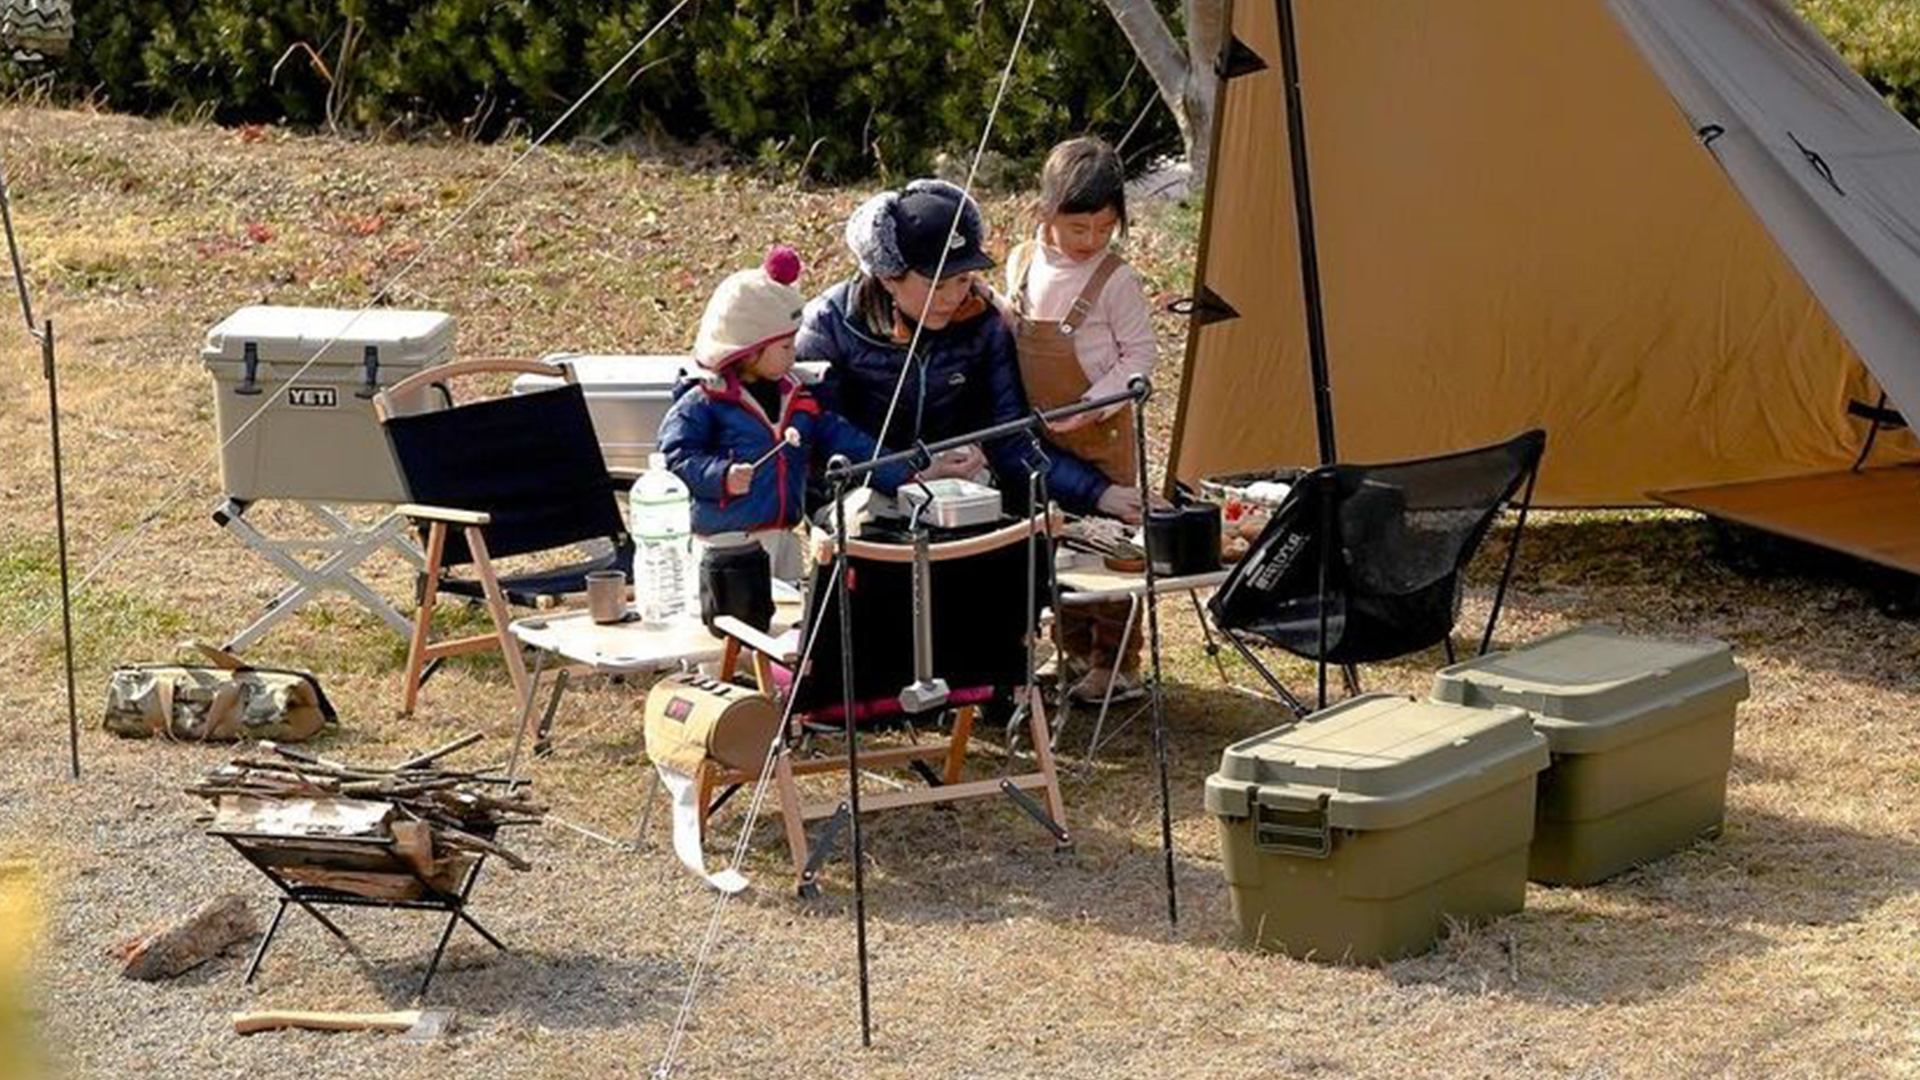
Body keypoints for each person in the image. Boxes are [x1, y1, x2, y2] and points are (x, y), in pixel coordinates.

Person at [796, 178, 1143, 521]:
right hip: (858, 499)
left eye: (964, 279)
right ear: (888, 276)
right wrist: (910, 472)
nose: (953, 297)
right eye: (937, 284)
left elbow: (1010, 436)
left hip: (960, 492)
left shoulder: (984, 324)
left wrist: (1098, 493)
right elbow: (822, 429)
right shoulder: (828, 323)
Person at [658, 245, 962, 580]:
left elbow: (853, 444)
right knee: (733, 619)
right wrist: (720, 476)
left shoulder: (798, 398)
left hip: (785, 537)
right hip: (725, 546)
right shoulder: (703, 401)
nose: (794, 354)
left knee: (786, 620)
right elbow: (674, 458)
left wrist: (910, 473)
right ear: (748, 351)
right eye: (786, 346)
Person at [1007, 137, 1158, 701]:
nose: (1091, 241)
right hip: (1040, 432)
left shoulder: (1115, 280)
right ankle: (1070, 650)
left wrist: (1095, 402)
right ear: (1045, 213)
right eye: (1078, 229)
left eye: (1103, 229)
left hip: (1100, 430)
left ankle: (1117, 661)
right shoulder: (1025, 261)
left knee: (1112, 548)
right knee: (1058, 538)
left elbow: (1140, 355)